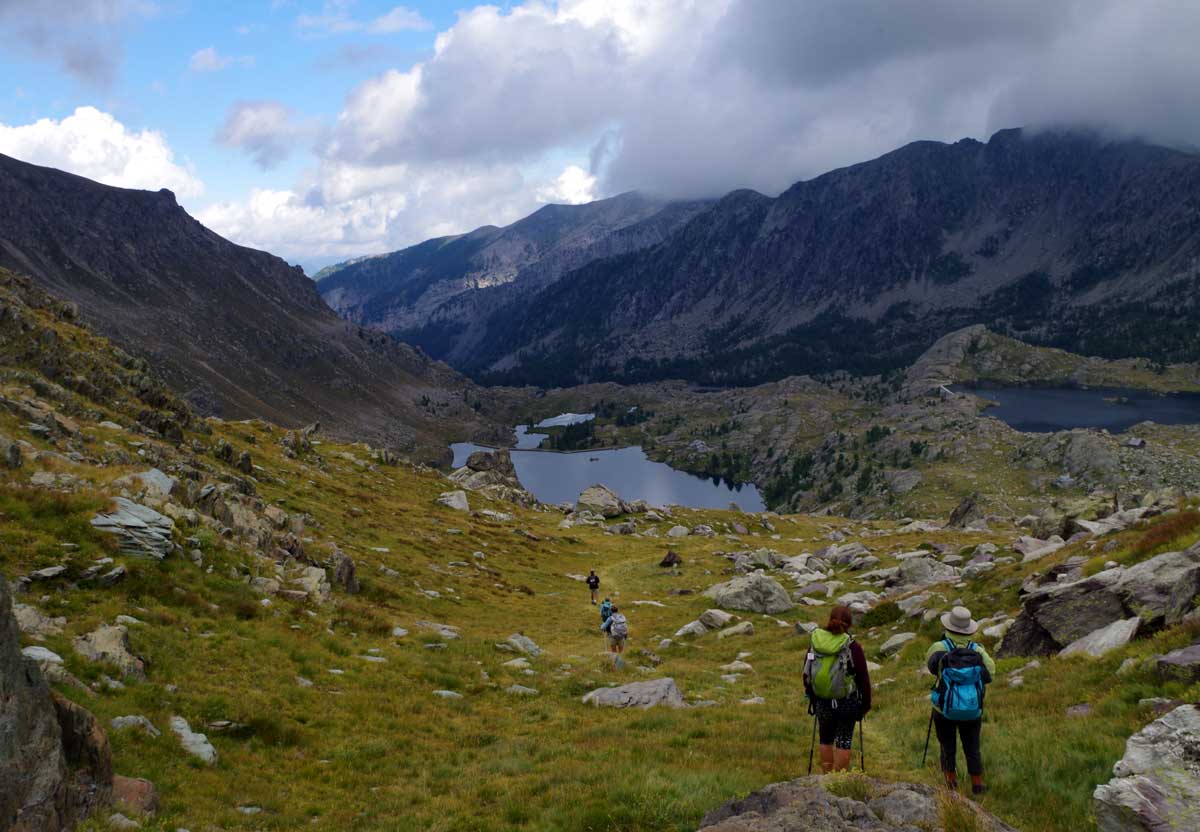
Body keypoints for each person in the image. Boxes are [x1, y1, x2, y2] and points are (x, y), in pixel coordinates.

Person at [925, 606, 995, 795]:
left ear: (948, 627)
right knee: (972, 747)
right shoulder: (978, 650)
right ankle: (977, 785)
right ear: (969, 629)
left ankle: (951, 783)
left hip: (943, 709)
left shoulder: (939, 648)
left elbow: (932, 669)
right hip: (973, 709)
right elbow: (990, 674)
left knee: (947, 746)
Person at [803, 605, 872, 773]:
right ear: (849, 624)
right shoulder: (852, 646)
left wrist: (812, 695)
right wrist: (865, 705)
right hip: (846, 701)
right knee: (844, 740)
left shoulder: (816, 641)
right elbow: (863, 678)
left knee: (825, 739)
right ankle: (838, 782)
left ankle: (826, 777)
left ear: (830, 619)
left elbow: (807, 670)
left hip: (822, 700)